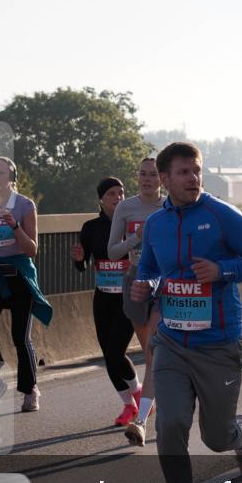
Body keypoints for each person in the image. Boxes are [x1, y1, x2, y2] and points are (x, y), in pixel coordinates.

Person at [131, 142, 242, 483]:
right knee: (172, 423)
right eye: (183, 172)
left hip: (218, 343)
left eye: (196, 171)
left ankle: (240, 437)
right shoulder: (156, 224)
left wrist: (222, 270)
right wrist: (146, 286)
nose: (193, 178)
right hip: (173, 342)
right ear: (164, 179)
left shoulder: (220, 214)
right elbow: (151, 268)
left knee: (215, 438)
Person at [0, 157, 52, 413]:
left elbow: (32, 249)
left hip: (18, 273)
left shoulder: (24, 205)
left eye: (1, 172)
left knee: (20, 337)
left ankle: (30, 389)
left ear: (12, 176)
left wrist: (14, 225)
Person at [72, 177, 142, 425]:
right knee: (108, 354)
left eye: (121, 192)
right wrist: (79, 259)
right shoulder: (91, 227)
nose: (118, 197)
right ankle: (129, 404)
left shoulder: (132, 225)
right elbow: (82, 265)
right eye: (112, 193)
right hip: (103, 297)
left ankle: (137, 391)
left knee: (116, 351)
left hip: (129, 295)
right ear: (101, 199)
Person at [109, 157, 167, 444]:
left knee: (152, 355)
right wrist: (137, 239)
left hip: (164, 282)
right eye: (143, 174)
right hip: (135, 280)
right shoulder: (125, 207)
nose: (147, 179)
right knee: (151, 354)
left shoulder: (168, 206)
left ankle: (141, 421)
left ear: (162, 178)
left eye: (153, 175)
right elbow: (112, 250)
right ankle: (156, 403)